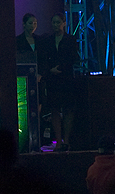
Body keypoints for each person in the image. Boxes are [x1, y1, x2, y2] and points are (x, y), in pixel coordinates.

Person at [40, 12, 80, 150]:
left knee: (68, 108)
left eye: (58, 22)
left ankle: (66, 140)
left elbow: (74, 57)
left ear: (64, 23)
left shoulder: (70, 39)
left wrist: (61, 68)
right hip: (53, 79)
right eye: (54, 23)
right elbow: (44, 58)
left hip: (66, 77)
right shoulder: (48, 40)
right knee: (54, 109)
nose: (56, 25)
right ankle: (58, 140)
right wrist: (50, 70)